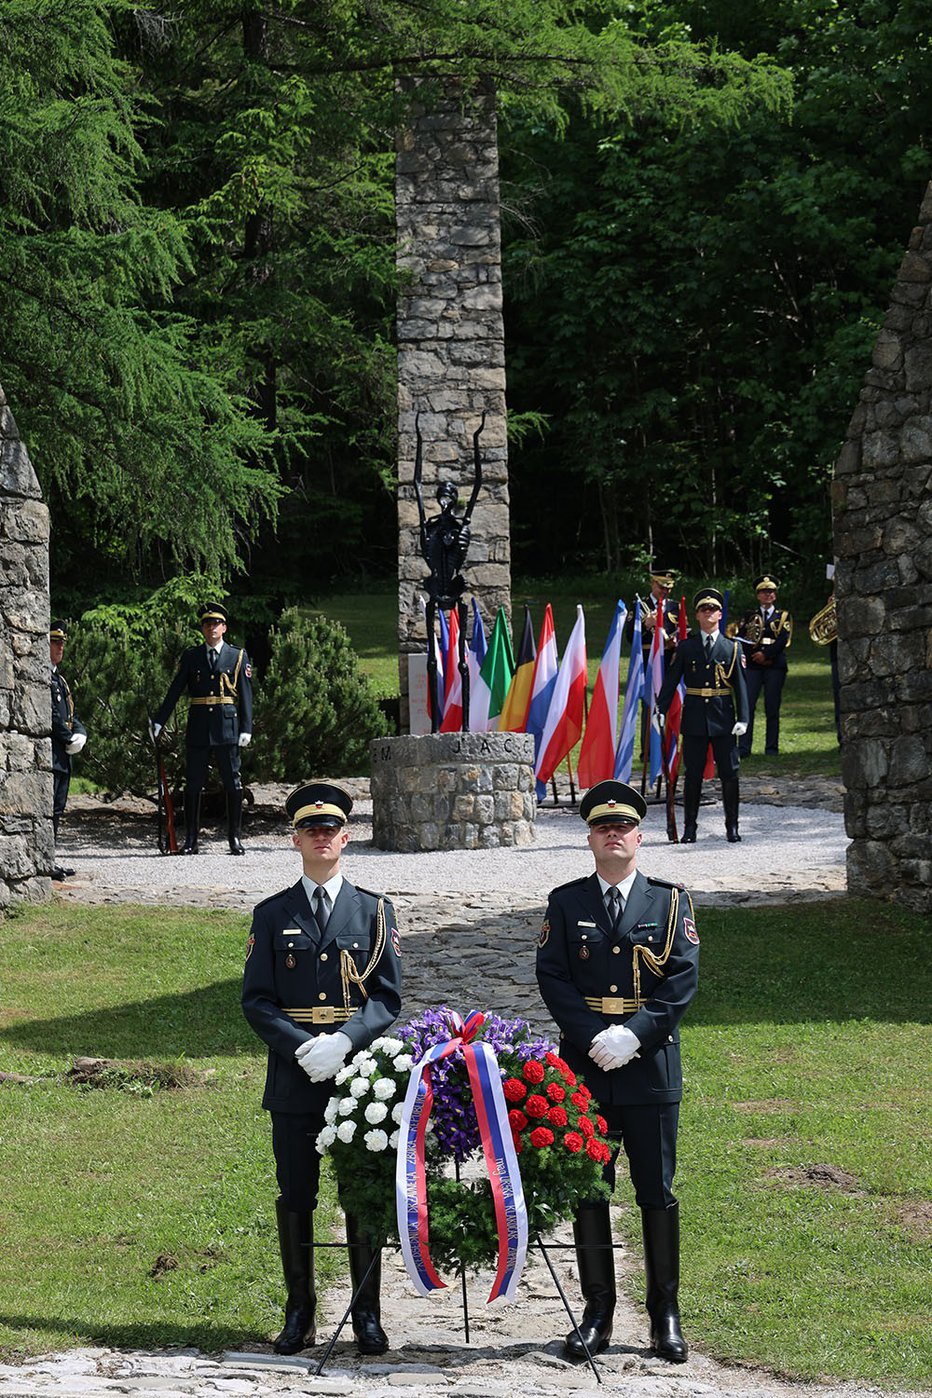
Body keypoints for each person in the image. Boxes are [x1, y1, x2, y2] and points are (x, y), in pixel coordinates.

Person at [536, 780, 699, 1364]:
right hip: (586, 1067)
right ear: (590, 839)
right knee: (589, 1190)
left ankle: (664, 1315)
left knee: (656, 1190)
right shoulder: (566, 902)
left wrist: (632, 1034)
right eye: (603, 827)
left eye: (623, 825)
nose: (613, 833)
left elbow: (681, 978)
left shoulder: (669, 901)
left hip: (649, 1066)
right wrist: (591, 1036)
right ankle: (597, 1314)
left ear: (639, 835)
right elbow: (552, 975)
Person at [242, 782, 402, 1356]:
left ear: (346, 837)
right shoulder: (271, 914)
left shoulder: (375, 912)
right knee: (296, 1195)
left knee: (361, 1193)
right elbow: (256, 999)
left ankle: (367, 1316)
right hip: (294, 1073)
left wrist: (345, 1041)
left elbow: (386, 999)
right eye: (311, 829)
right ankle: (299, 1313)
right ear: (295, 840)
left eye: (331, 829)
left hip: (360, 1077)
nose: (322, 837)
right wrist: (298, 1047)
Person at [151, 603, 252, 855]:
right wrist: (160, 720)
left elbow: (246, 695)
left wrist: (246, 727)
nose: (212, 628)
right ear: (203, 629)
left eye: (216, 624)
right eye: (207, 624)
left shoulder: (237, 656)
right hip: (198, 727)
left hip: (227, 726)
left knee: (233, 783)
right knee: (193, 784)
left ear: (224, 628)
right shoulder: (192, 656)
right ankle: (191, 841)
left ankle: (234, 839)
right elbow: (175, 689)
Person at [657, 587, 748, 843]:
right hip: (695, 716)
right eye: (703, 610)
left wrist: (743, 719)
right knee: (693, 774)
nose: (708, 613)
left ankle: (732, 826)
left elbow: (741, 687)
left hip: (724, 718)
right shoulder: (687, 647)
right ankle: (690, 828)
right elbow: (671, 681)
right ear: (697, 616)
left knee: (730, 774)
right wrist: (660, 709)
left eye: (712, 609)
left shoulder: (731, 648)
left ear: (720, 615)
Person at [734, 574, 792, 756]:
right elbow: (742, 638)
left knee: (772, 707)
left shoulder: (783, 616)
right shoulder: (749, 616)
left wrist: (766, 655)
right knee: (747, 706)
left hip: (774, 666)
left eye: (771, 591)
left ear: (775, 594)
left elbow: (783, 639)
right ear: (758, 595)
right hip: (753, 666)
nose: (768, 595)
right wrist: (755, 656)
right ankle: (744, 748)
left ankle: (771, 748)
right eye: (764, 592)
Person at [49, 622, 87, 881]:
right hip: (52, 752)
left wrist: (81, 733)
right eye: (56, 642)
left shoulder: (59, 680)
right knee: (50, 808)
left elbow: (70, 713)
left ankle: (49, 858)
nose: (61, 646)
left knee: (58, 808)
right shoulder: (45, 677)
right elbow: (51, 716)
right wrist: (68, 737)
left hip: (63, 754)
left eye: (63, 642)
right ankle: (45, 860)